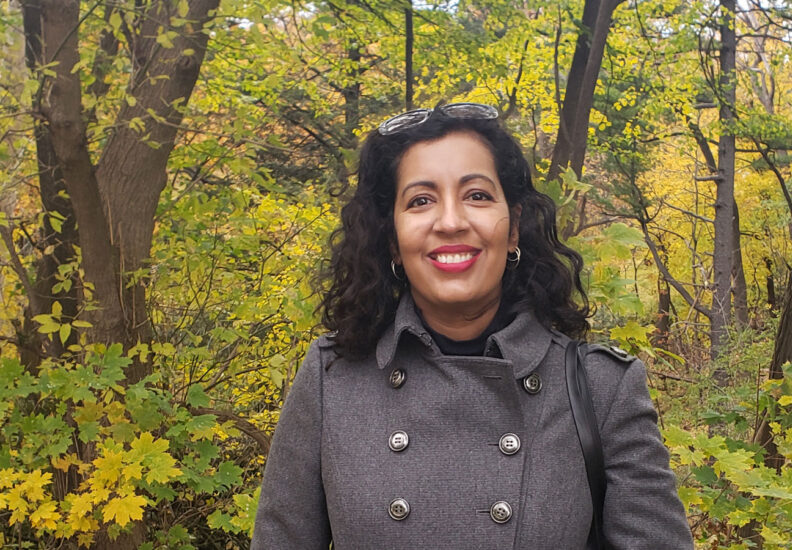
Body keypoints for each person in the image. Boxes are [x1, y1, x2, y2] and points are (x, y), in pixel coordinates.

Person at [251, 103, 693, 549]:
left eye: (477, 195)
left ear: (514, 227)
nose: (451, 222)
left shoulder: (602, 387)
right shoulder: (333, 378)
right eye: (421, 201)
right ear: (392, 239)